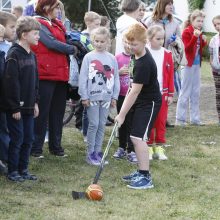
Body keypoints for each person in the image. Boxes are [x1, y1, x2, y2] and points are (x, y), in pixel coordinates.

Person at [115, 23, 161, 189]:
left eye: (134, 44)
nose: (130, 47)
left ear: (145, 42)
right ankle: (141, 172)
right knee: (135, 137)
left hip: (150, 103)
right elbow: (132, 88)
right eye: (127, 43)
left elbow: (134, 92)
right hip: (141, 101)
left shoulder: (144, 63)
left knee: (138, 138)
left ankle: (146, 178)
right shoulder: (136, 56)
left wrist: (121, 114)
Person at [30, 0, 77, 158]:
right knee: (42, 113)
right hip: (45, 73)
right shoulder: (37, 22)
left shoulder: (56, 23)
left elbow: (60, 42)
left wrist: (74, 42)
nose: (58, 9)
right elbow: (50, 43)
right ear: (45, 7)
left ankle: (56, 147)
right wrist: (72, 48)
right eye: (56, 6)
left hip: (60, 74)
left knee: (57, 113)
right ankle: (36, 148)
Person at [1, 16, 40, 182]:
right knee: (17, 139)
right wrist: (14, 107)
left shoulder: (32, 55)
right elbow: (10, 83)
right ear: (24, 35)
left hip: (30, 106)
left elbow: (35, 81)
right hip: (16, 108)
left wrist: (36, 102)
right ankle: (13, 171)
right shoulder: (13, 54)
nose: (38, 36)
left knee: (28, 138)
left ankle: (24, 169)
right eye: (36, 33)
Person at [79, 27, 120, 165]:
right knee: (94, 124)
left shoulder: (112, 58)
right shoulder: (88, 57)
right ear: (93, 40)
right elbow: (83, 78)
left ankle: (98, 151)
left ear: (108, 41)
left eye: (102, 41)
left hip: (106, 98)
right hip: (92, 98)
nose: (99, 44)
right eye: (96, 41)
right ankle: (90, 152)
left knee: (102, 124)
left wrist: (114, 96)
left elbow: (115, 78)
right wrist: (84, 96)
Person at [144, 0, 182, 127]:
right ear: (161, 5)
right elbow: (144, 38)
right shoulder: (150, 21)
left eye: (172, 4)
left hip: (167, 59)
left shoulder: (175, 22)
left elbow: (179, 40)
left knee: (166, 88)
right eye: (168, 4)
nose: (171, 6)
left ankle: (163, 119)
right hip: (152, 58)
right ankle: (150, 117)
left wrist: (174, 41)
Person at [146, 25, 174, 160]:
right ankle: (149, 147)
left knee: (161, 121)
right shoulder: (145, 52)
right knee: (150, 120)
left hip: (163, 94)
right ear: (149, 39)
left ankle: (160, 147)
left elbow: (170, 75)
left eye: (162, 38)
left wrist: (170, 94)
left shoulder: (167, 54)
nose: (161, 41)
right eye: (157, 38)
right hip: (149, 93)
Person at [176, 9, 207, 126]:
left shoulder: (198, 31)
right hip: (187, 65)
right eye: (198, 20)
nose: (200, 23)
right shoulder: (187, 32)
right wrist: (195, 37)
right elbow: (187, 49)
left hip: (196, 65)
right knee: (185, 92)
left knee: (196, 92)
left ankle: (195, 119)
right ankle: (180, 120)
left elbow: (199, 49)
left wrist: (203, 41)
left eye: (202, 21)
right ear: (192, 20)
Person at [113, 36, 137, 163]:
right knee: (121, 122)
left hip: (134, 96)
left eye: (131, 43)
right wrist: (118, 72)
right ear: (123, 43)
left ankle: (131, 149)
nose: (129, 46)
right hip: (121, 95)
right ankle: (121, 147)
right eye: (127, 43)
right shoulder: (117, 58)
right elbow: (110, 74)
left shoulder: (137, 58)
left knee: (132, 123)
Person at [0, 11, 17, 175]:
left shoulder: (10, 48)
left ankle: (5, 158)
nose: (14, 30)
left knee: (5, 128)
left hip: (6, 97)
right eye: (11, 27)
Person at [80, 11, 101, 142]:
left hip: (97, 73)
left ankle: (95, 129)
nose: (98, 26)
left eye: (100, 24)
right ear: (88, 23)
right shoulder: (83, 36)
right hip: (87, 72)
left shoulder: (98, 35)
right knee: (86, 105)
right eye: (96, 24)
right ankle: (86, 132)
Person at [209, 15, 220, 124]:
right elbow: (211, 55)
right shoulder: (213, 39)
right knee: (218, 94)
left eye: (219, 23)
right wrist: (212, 65)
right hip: (217, 71)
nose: (217, 26)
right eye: (215, 24)